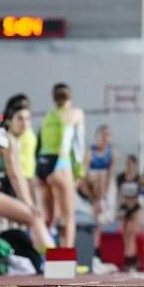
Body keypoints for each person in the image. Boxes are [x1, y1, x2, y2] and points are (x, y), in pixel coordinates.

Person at [0, 99, 55, 273]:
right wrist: (29, 204)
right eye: (20, 119)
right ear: (9, 120)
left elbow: (21, 177)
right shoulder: (7, 140)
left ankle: (52, 264)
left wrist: (29, 203)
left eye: (28, 119)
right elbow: (15, 176)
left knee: (34, 216)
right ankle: (57, 264)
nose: (25, 123)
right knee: (34, 216)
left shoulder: (10, 140)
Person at [37, 82, 86, 252]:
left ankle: (46, 257)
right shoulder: (75, 113)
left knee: (49, 218)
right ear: (70, 98)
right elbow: (79, 145)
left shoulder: (47, 116)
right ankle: (64, 260)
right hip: (60, 162)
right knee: (68, 216)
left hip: (42, 164)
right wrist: (79, 172)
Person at [116, 155, 144, 270]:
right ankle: (129, 259)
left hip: (135, 207)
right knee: (125, 235)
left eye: (131, 164)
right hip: (124, 207)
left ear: (135, 165)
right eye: (127, 164)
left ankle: (131, 260)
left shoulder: (139, 178)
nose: (129, 166)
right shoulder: (121, 177)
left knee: (132, 233)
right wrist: (117, 209)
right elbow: (118, 195)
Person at [86, 124, 116, 222]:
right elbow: (84, 173)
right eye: (103, 135)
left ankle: (102, 202)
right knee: (97, 175)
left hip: (105, 182)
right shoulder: (90, 152)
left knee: (104, 175)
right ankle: (96, 202)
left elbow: (111, 173)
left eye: (108, 135)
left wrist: (104, 193)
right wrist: (92, 196)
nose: (105, 138)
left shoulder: (112, 152)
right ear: (97, 138)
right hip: (92, 182)